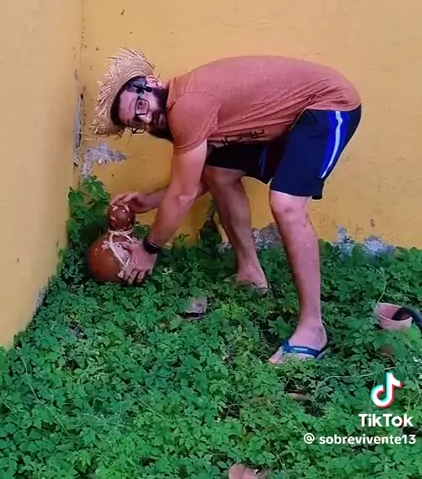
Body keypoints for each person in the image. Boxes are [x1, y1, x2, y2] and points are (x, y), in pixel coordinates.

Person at [93, 47, 362, 363]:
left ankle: (313, 330)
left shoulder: (188, 106)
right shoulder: (186, 108)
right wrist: (150, 200)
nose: (146, 118)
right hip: (293, 120)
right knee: (219, 172)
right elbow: (195, 182)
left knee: (286, 204)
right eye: (136, 122)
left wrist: (148, 249)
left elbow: (182, 195)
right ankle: (250, 274)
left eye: (141, 105)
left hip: (327, 105)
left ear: (152, 83)